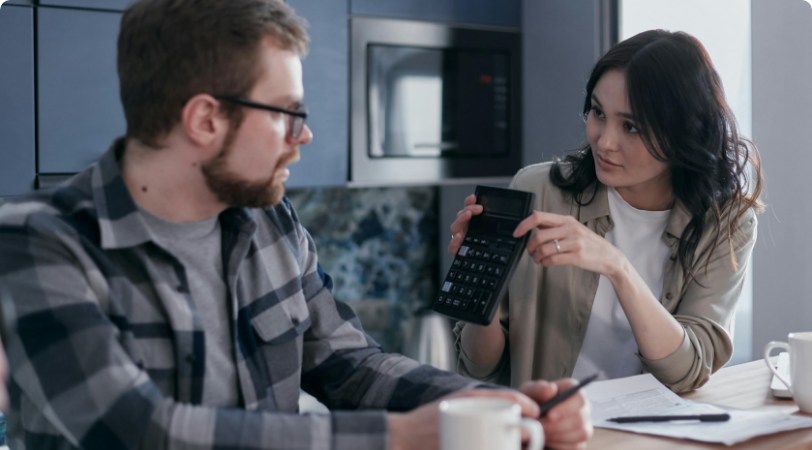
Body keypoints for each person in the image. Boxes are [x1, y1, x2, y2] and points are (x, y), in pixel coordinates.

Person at [0, 1, 592, 449]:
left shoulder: (268, 219)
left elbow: (350, 366)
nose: (304, 135)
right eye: (288, 113)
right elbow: (133, 428)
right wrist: (399, 437)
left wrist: (497, 403)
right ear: (206, 118)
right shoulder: (41, 242)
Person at [450, 29, 764, 394]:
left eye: (631, 126)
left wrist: (618, 267)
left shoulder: (727, 223)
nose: (604, 141)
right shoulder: (537, 192)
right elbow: (478, 367)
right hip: (549, 433)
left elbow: (688, 371)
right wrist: (481, 282)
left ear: (684, 134)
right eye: (598, 113)